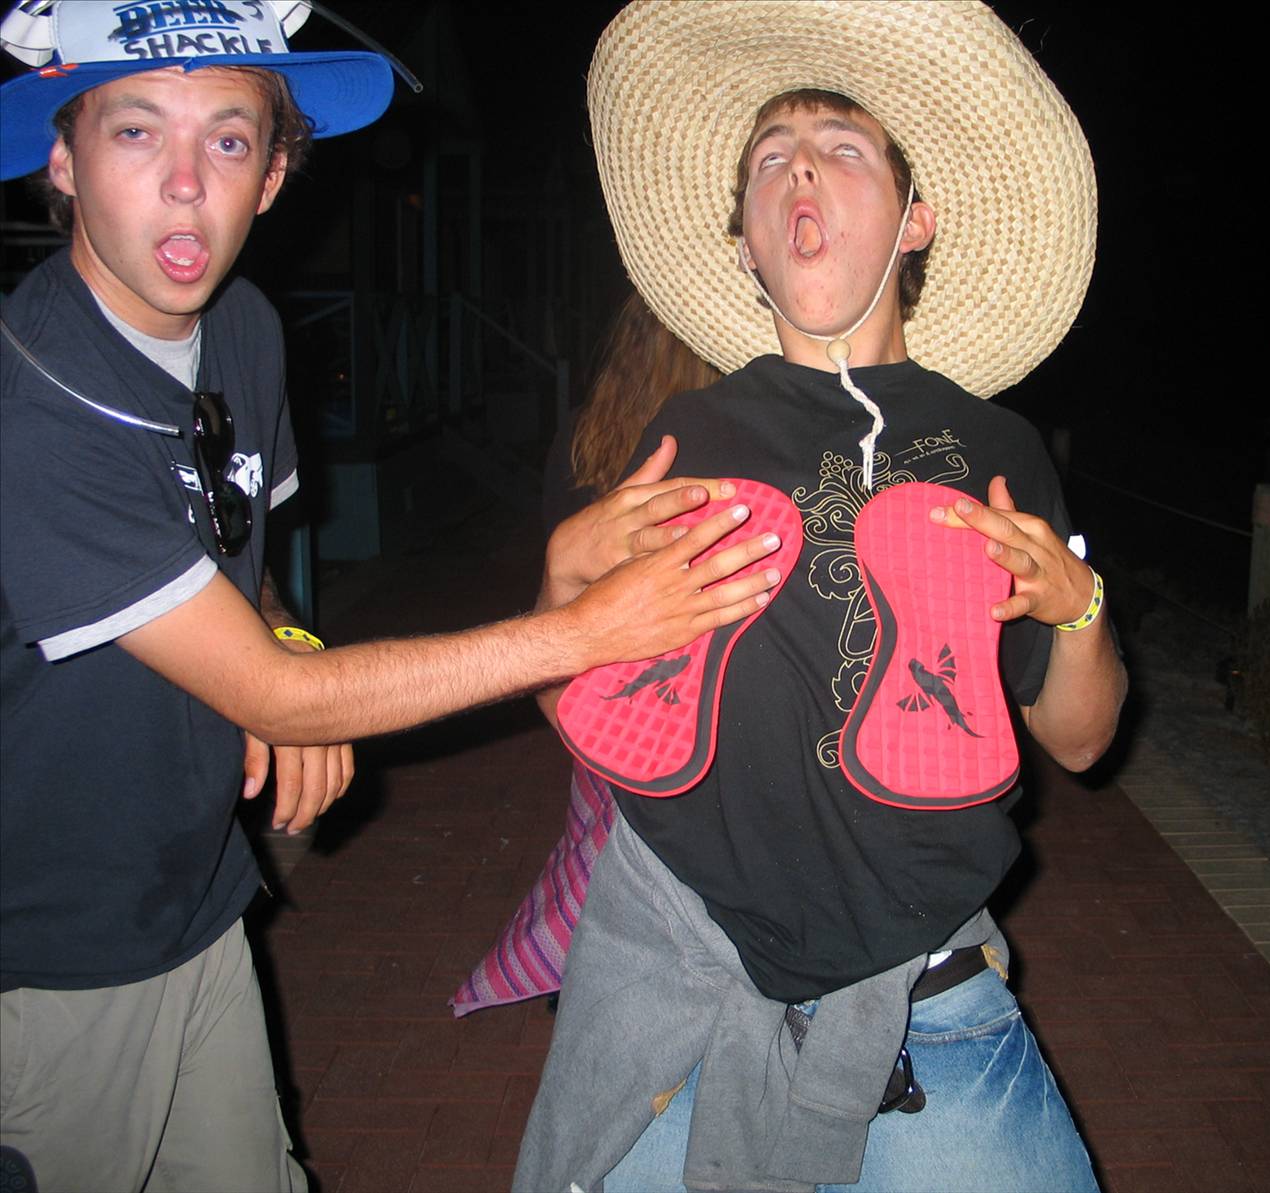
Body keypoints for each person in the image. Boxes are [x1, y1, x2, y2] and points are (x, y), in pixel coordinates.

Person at [0, 4, 781, 1190]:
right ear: (63, 161)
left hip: (195, 897)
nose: (184, 182)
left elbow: (239, 560)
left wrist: (287, 633)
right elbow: (275, 692)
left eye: (227, 139)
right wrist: (578, 630)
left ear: (271, 177)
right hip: (51, 949)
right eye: (135, 132)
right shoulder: (33, 410)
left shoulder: (242, 327)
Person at [513, 3, 1126, 1191]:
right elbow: (585, 716)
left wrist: (1078, 607)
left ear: (913, 219)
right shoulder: (684, 436)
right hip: (687, 979)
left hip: (925, 992)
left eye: (842, 148)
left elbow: (1083, 741)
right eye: (769, 158)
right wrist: (560, 590)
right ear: (746, 243)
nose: (799, 169)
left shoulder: (996, 448)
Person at [452, 292, 722, 1014]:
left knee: (603, 845)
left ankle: (594, 970)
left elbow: (559, 561)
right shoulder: (723, 449)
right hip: (678, 684)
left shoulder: (587, 434)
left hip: (595, 681)